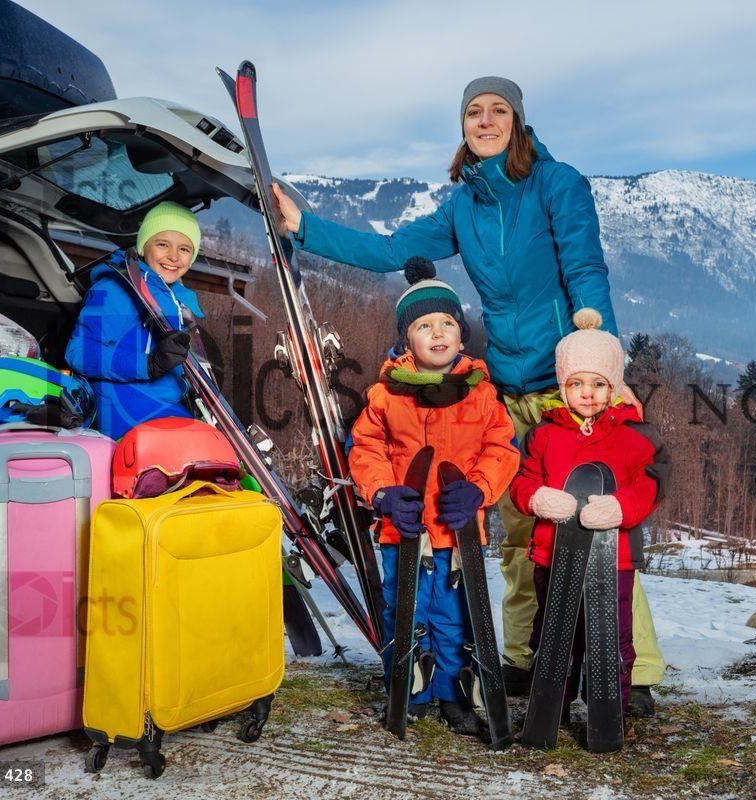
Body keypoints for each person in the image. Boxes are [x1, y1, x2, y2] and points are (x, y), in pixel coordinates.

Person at [270, 76, 665, 713]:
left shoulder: (557, 184)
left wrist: (604, 369)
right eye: (473, 113)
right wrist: (305, 229)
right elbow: (395, 249)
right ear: (463, 126)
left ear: (517, 120)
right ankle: (527, 657)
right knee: (516, 532)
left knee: (598, 524)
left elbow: (587, 271)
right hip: (504, 387)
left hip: (569, 384)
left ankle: (631, 667)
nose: (485, 121)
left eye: (498, 110)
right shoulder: (463, 205)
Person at [349, 258, 519, 736]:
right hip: (403, 531)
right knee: (404, 610)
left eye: (448, 323)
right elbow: (366, 448)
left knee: (454, 617)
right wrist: (383, 492)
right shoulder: (387, 396)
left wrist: (480, 489)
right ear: (408, 340)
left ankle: (451, 692)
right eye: (425, 325)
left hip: (457, 533)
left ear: (462, 337)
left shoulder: (482, 395)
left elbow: (501, 449)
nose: (438, 333)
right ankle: (408, 689)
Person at [509, 309, 669, 722]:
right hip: (552, 555)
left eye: (599, 384)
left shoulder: (634, 437)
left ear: (614, 386)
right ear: (562, 385)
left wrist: (621, 506)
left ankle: (607, 709)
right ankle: (550, 709)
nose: (588, 393)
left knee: (610, 638)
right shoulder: (543, 434)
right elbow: (521, 482)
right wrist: (539, 499)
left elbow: (651, 484)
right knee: (554, 633)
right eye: (576, 383)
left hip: (612, 560)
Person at [65, 201, 199, 439]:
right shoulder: (115, 290)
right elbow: (79, 352)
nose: (173, 256)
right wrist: (146, 365)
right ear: (143, 247)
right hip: (125, 416)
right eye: (162, 244)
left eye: (185, 249)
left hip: (169, 410)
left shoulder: (179, 301)